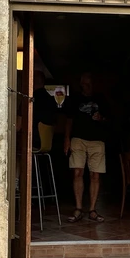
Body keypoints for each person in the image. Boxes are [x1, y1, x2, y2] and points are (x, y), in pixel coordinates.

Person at [64, 73, 107, 223]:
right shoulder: (74, 99)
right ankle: (78, 208)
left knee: (95, 175)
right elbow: (69, 120)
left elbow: (109, 119)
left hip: (97, 140)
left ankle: (92, 210)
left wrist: (101, 118)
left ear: (92, 83)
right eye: (84, 83)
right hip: (78, 138)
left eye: (88, 83)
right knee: (77, 172)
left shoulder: (101, 98)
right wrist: (67, 139)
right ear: (81, 83)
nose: (86, 85)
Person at [31, 70, 57, 151]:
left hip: (33, 141)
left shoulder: (30, 100)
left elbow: (18, 125)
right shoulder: (51, 100)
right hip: (48, 142)